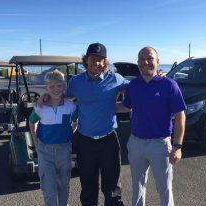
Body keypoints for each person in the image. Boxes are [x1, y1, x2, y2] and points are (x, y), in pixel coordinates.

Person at [39, 43, 127, 206]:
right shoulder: (76, 82)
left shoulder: (116, 79)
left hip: (108, 141)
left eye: (100, 59)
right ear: (86, 60)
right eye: (93, 58)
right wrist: (46, 95)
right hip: (85, 141)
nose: (96, 62)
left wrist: (158, 77)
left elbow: (137, 89)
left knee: (113, 187)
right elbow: (60, 96)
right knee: (88, 187)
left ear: (105, 62)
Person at [117, 46, 186, 206]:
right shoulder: (133, 85)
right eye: (142, 59)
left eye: (150, 58)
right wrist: (100, 105)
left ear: (158, 61)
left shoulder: (169, 85)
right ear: (138, 62)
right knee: (138, 187)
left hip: (160, 145)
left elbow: (180, 115)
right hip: (136, 143)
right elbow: (126, 107)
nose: (145, 62)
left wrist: (177, 146)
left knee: (164, 189)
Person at [29, 69, 77, 206]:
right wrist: (36, 143)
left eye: (59, 85)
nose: (55, 89)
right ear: (47, 88)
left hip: (64, 150)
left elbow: (75, 121)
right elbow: (31, 121)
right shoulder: (40, 106)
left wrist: (69, 135)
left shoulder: (70, 106)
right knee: (48, 188)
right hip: (45, 151)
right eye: (51, 86)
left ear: (64, 87)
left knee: (63, 185)